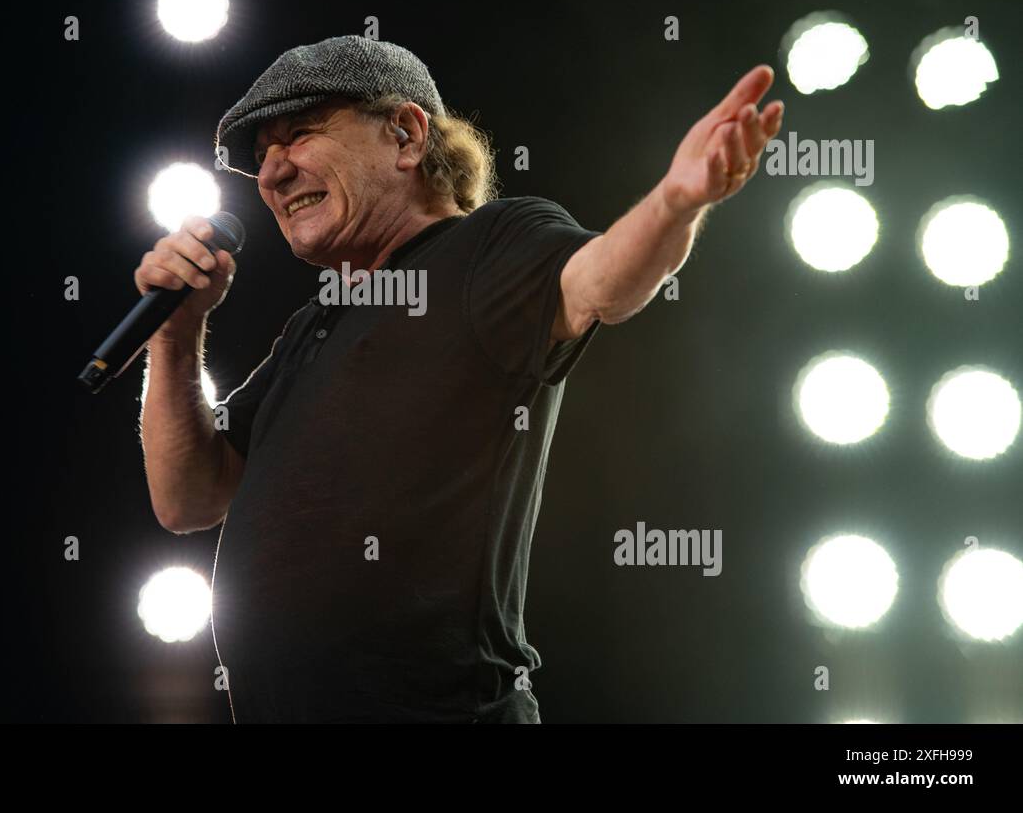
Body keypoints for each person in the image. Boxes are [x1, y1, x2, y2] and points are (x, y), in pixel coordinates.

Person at [134, 35, 783, 722]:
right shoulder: (314, 324)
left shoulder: (489, 247)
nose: (271, 173)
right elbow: (186, 499)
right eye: (261, 157)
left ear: (407, 134)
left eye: (298, 135)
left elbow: (601, 283)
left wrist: (676, 202)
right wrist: (176, 334)